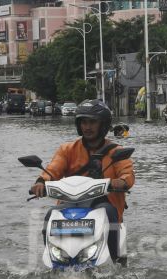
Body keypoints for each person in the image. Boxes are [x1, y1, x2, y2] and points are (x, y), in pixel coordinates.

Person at [30, 99, 135, 260]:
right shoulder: (67, 149)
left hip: (104, 202)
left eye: (92, 122)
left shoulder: (116, 151)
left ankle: (116, 261)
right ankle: (53, 259)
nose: (87, 127)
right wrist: (40, 182)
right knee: (51, 214)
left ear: (103, 125)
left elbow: (127, 174)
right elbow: (53, 169)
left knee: (109, 212)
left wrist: (121, 181)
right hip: (71, 202)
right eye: (84, 122)